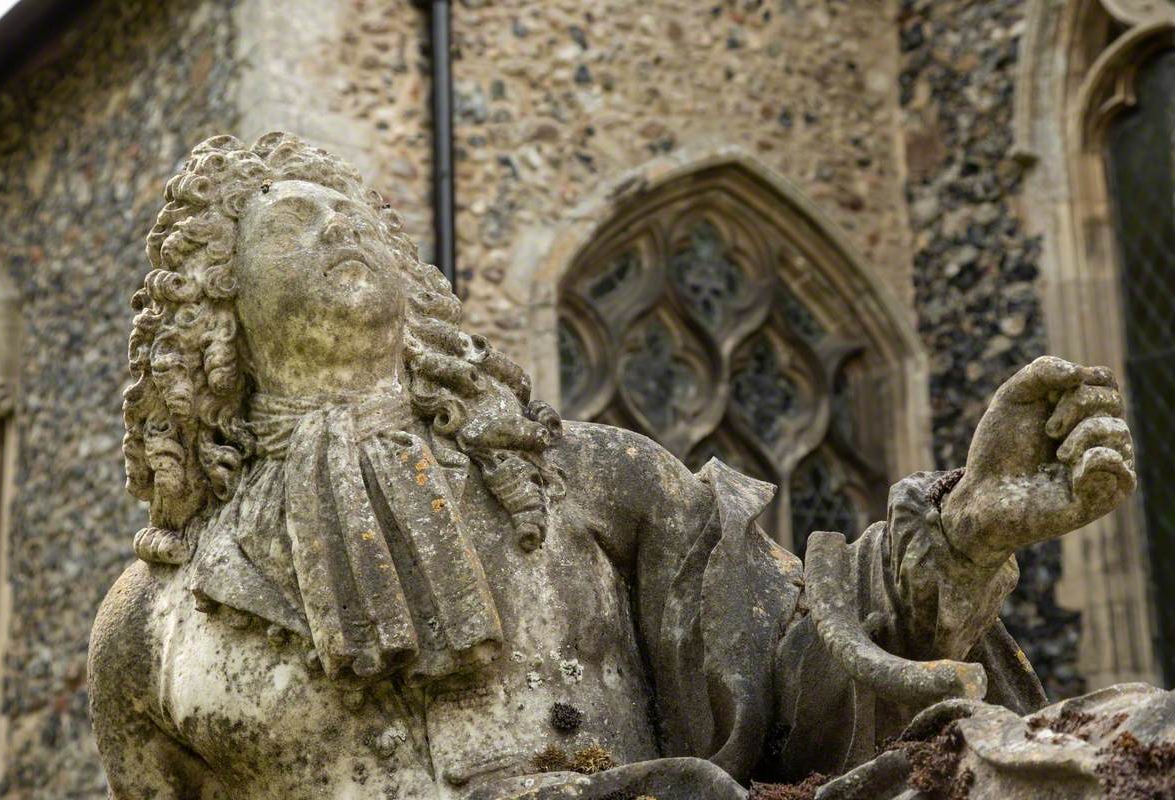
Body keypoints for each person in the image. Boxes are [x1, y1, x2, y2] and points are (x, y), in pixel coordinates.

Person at [88, 133, 1138, 799]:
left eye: (355, 213)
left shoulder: (588, 479)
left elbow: (787, 677)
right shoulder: (153, 621)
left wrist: (958, 538)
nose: (338, 224)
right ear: (215, 302)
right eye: (293, 218)